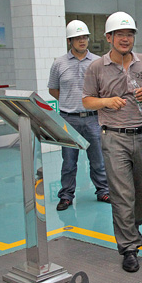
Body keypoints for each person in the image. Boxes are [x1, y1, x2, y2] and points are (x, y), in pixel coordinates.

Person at [82, 11, 142, 272]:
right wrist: (106, 101)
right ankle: (128, 247)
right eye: (120, 35)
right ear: (109, 37)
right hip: (114, 137)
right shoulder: (96, 67)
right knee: (122, 194)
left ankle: (133, 228)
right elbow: (87, 100)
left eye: (129, 34)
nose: (125, 39)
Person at [48, 20, 110, 211]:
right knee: (69, 161)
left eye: (85, 37)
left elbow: (104, 89)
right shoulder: (59, 63)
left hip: (93, 118)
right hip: (69, 119)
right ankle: (66, 196)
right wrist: (70, 102)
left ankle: (103, 191)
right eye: (77, 38)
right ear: (69, 41)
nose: (82, 41)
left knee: (98, 159)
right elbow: (53, 89)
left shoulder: (98, 62)